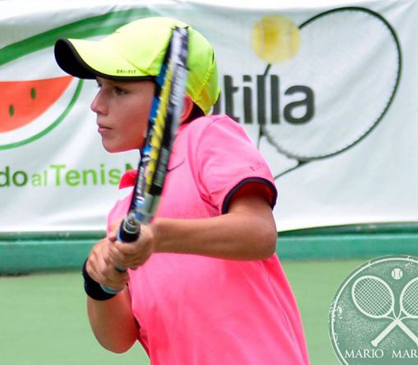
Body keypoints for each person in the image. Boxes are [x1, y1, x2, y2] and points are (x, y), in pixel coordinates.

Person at [54, 17, 309, 364]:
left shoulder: (207, 136)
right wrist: (100, 281)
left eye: (119, 90)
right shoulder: (123, 211)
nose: (97, 104)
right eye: (100, 87)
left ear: (178, 107)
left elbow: (258, 233)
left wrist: (158, 235)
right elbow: (117, 339)